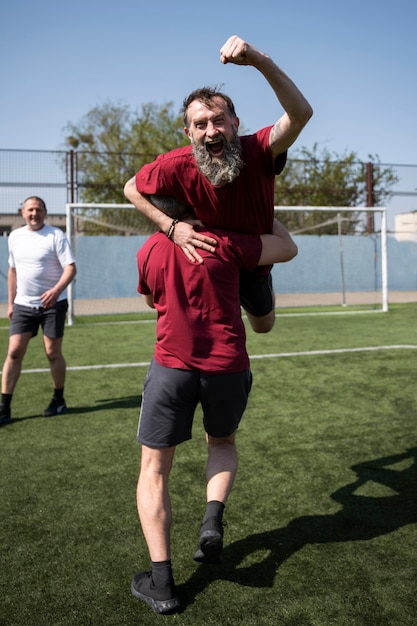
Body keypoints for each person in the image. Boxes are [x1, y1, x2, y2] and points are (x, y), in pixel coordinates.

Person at [131, 195, 297, 614]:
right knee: (221, 443)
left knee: (154, 468)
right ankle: (211, 520)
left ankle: (163, 584)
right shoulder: (230, 241)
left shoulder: (150, 248)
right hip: (226, 368)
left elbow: (152, 301)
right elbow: (289, 247)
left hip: (171, 367)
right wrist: (254, 208)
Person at [124, 35, 312, 334]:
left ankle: (263, 225)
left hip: (255, 258)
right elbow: (131, 187)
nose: (211, 130)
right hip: (211, 255)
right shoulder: (174, 164)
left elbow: (300, 115)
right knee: (194, 322)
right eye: (200, 125)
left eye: (219, 120)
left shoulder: (259, 149)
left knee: (264, 325)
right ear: (189, 133)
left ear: (236, 124)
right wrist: (171, 227)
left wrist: (260, 61)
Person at [0, 196, 76, 425]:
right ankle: (4, 407)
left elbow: (70, 269)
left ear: (45, 212)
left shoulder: (56, 235)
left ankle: (58, 400)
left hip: (54, 304)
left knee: (52, 352)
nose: (34, 213)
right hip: (23, 305)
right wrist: (11, 303)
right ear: (22, 212)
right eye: (30, 209)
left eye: (39, 209)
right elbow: (12, 271)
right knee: (14, 351)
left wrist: (55, 291)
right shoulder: (14, 236)